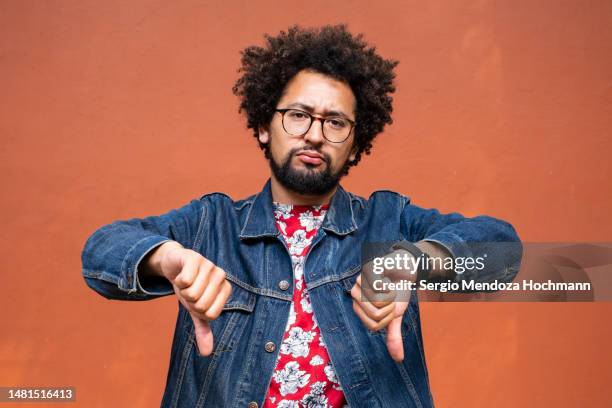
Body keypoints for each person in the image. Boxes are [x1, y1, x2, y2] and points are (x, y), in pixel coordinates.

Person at [81, 24, 522, 408]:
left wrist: (417, 260)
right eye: (298, 115)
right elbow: (100, 252)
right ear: (262, 125)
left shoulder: (390, 221)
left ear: (355, 144)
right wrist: (165, 258)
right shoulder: (209, 223)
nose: (314, 134)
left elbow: (503, 250)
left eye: (335, 123)